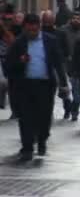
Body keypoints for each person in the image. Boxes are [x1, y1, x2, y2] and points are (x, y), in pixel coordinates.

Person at [5, 14, 69, 161]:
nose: (32, 33)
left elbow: (58, 63)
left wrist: (64, 84)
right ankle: (27, 147)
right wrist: (20, 62)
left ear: (39, 27)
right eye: (29, 30)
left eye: (34, 30)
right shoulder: (18, 43)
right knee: (25, 117)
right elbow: (8, 67)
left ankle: (42, 140)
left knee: (44, 116)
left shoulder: (50, 41)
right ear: (25, 28)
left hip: (45, 85)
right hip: (24, 85)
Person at [60, 12, 80, 121]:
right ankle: (67, 107)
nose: (76, 20)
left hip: (78, 65)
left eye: (78, 18)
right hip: (65, 63)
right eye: (74, 18)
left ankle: (74, 110)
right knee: (64, 89)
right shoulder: (63, 30)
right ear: (70, 19)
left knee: (77, 92)